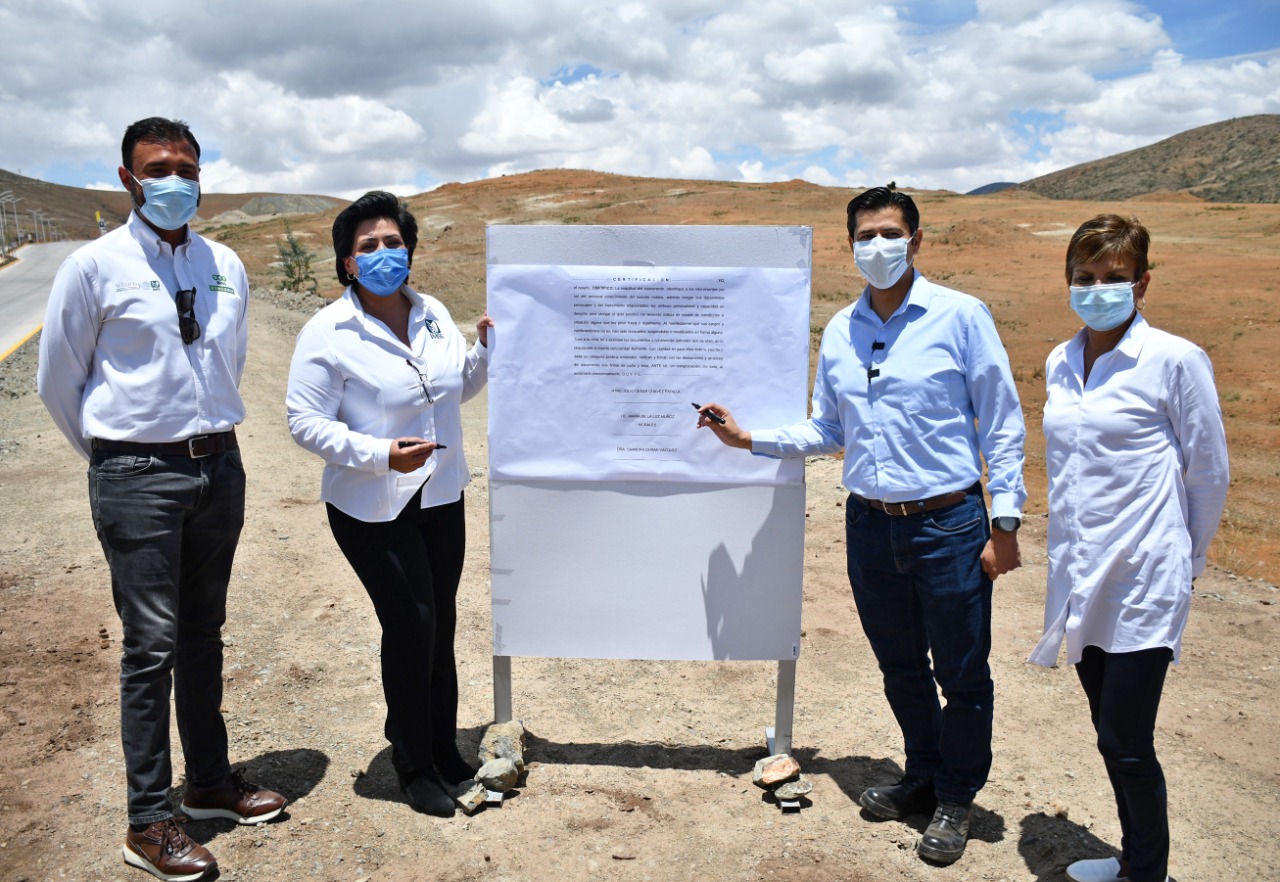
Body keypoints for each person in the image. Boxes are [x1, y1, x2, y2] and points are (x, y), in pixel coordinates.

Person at [697, 186, 1025, 864]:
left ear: (917, 239)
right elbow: (828, 428)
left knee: (962, 672)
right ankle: (923, 775)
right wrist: (748, 439)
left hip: (949, 523)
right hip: (871, 525)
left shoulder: (961, 317)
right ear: (849, 247)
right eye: (865, 236)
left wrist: (1005, 521)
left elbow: (1001, 422)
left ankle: (957, 797)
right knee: (900, 665)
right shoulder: (843, 331)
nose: (878, 246)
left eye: (890, 232)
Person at [36, 117, 285, 882]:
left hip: (220, 469)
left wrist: (197, 442)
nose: (174, 180)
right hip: (137, 476)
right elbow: (59, 381)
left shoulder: (225, 263)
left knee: (205, 632)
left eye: (186, 165)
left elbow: (228, 362)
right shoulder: (93, 267)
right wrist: (121, 460)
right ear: (128, 179)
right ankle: (149, 820)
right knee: (151, 648)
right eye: (158, 167)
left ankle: (209, 783)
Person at [1029, 215, 1228, 882]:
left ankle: (1148, 873)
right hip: (1082, 574)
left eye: (1114, 278)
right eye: (1084, 278)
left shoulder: (1174, 360)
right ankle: (1132, 861)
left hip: (1145, 574)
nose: (1098, 289)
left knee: (1126, 738)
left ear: (1142, 282)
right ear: (1069, 282)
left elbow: (1209, 472)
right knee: (1109, 733)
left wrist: (1187, 560)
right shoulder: (1061, 361)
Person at [286, 191, 492, 818]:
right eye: (367, 246)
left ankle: (442, 745)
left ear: (410, 249)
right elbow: (303, 421)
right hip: (372, 504)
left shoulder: (431, 311)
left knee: (442, 622)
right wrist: (377, 453)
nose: (383, 253)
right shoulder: (328, 331)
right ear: (347, 263)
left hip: (439, 493)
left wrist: (484, 352)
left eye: (393, 242)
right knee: (412, 623)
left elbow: (455, 389)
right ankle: (414, 765)